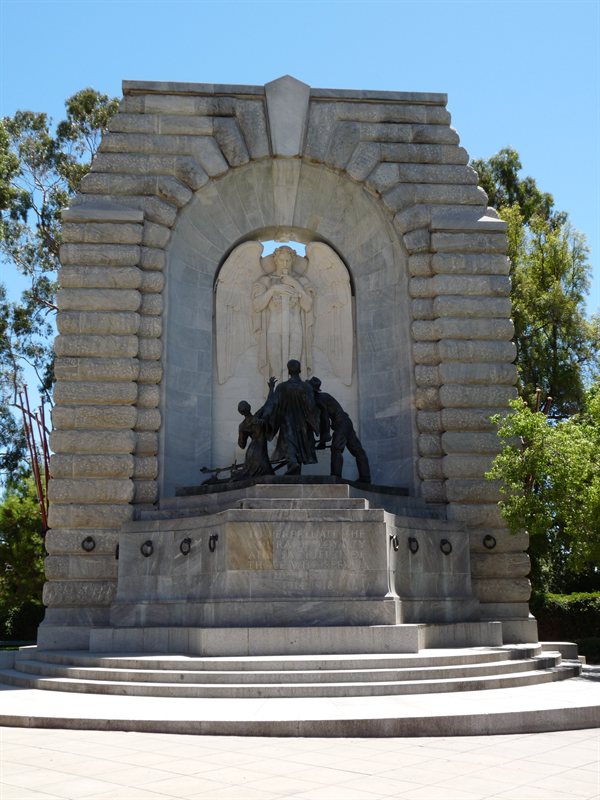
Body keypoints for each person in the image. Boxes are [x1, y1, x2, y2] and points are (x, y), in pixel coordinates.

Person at [252, 246, 315, 381]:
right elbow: (257, 305)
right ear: (275, 260)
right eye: (282, 260)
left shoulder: (301, 281)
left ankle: (295, 399)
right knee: (276, 369)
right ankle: (276, 398)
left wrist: (295, 284)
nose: (285, 264)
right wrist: (273, 289)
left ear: (292, 260)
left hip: (295, 327)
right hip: (274, 327)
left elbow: (307, 305)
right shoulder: (267, 280)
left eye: (288, 260)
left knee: (294, 367)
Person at [309, 376, 371, 483]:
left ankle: (336, 476)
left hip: (341, 424)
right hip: (346, 422)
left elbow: (325, 420)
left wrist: (324, 439)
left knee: (336, 449)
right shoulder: (323, 397)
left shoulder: (319, 399)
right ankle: (365, 477)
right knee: (357, 450)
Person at [270, 360, 320, 475]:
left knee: (290, 445)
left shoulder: (282, 387)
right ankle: (295, 469)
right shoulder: (306, 387)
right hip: (303, 424)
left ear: (288, 371)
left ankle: (293, 465)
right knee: (300, 447)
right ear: (300, 370)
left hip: (287, 423)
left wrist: (271, 389)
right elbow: (311, 406)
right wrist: (314, 423)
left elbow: (273, 404)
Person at [236, 377, 277, 478]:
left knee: (259, 475)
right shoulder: (257, 417)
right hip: (260, 452)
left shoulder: (242, 426)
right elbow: (269, 402)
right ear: (249, 407)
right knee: (266, 475)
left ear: (240, 412)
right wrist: (271, 388)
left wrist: (242, 433)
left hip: (251, 451)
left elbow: (242, 445)